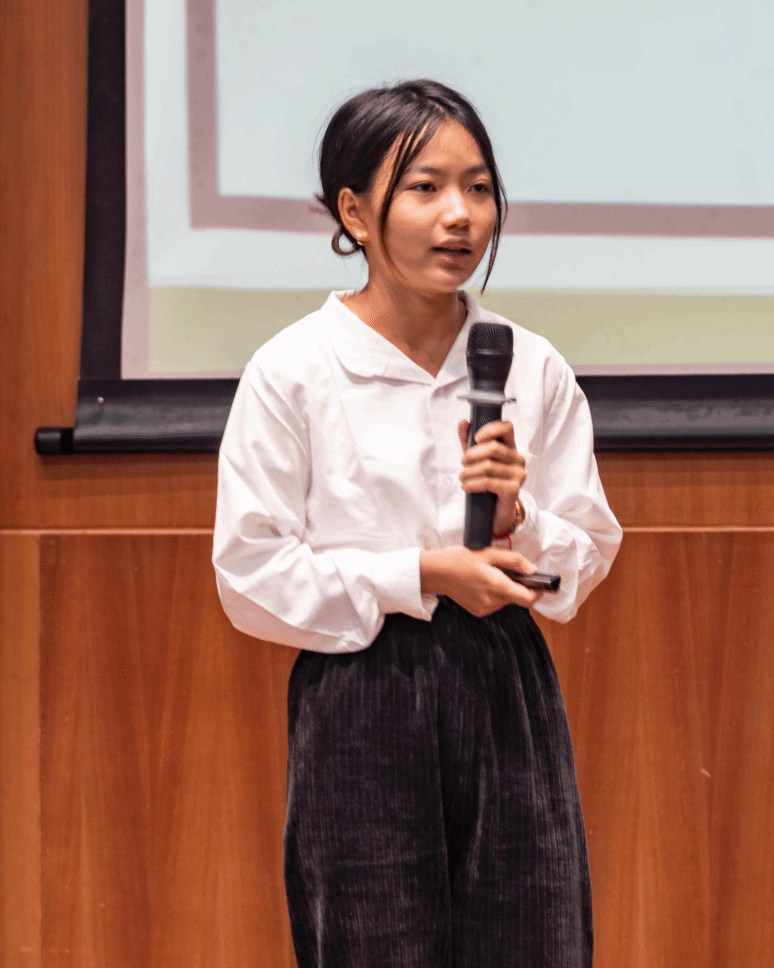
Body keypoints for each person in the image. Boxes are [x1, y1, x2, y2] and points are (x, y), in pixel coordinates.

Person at [213, 79, 623, 968]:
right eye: (425, 188)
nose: (459, 216)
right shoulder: (295, 370)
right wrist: (423, 572)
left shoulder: (530, 364)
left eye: (478, 188)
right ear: (355, 212)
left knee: (533, 937)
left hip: (505, 682)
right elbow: (251, 574)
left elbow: (586, 555)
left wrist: (521, 518)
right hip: (363, 688)